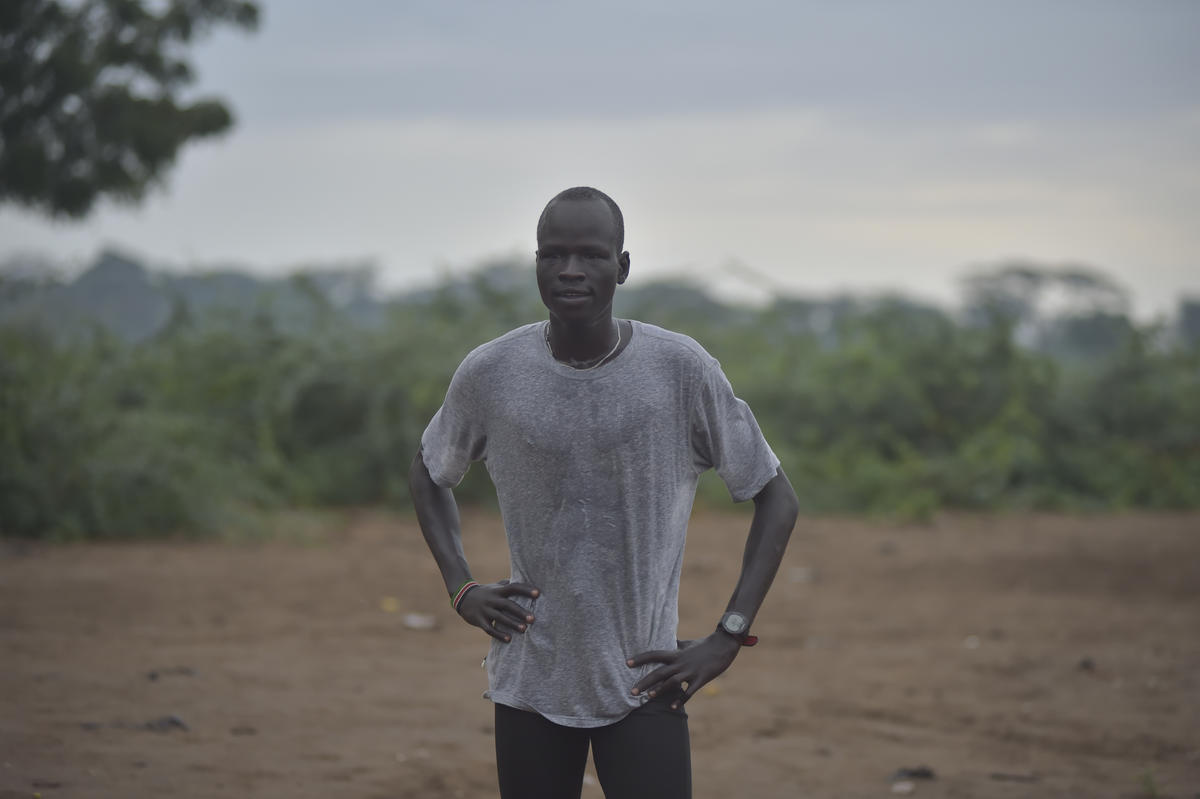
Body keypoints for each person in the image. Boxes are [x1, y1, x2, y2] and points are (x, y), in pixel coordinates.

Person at [409, 186, 799, 799]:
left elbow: (777, 498)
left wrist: (728, 636)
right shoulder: (492, 372)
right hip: (530, 676)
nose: (570, 270)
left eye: (590, 255)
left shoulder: (680, 370)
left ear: (622, 266)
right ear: (536, 264)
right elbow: (430, 472)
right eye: (553, 254)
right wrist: (461, 586)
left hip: (643, 680)